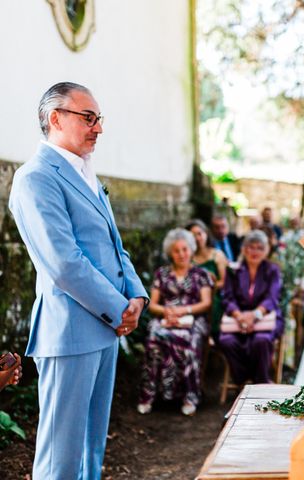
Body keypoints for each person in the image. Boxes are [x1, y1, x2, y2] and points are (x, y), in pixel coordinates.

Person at [9, 82, 148, 479]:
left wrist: (136, 294)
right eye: (88, 118)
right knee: (60, 457)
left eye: (98, 118)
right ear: (55, 118)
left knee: (91, 451)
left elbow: (113, 244)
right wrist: (120, 308)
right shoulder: (35, 178)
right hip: (69, 333)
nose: (98, 128)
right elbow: (64, 263)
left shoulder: (86, 173)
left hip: (105, 330)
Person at [138, 229, 213, 416]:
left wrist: (184, 311)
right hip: (166, 317)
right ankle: (148, 396)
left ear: (191, 250)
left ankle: (189, 397)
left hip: (193, 318)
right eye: (176, 250)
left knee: (189, 339)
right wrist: (168, 311)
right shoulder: (161, 273)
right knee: (154, 338)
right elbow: (153, 304)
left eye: (185, 249)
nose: (181, 254)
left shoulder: (201, 274)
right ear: (170, 253)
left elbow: (206, 303)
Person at [219, 230, 284, 384]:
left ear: (266, 250)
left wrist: (254, 316)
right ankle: (242, 381)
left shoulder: (272, 270)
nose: (255, 251)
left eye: (260, 248)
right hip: (238, 319)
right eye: (251, 247)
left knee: (261, 341)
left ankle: (260, 381)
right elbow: (227, 297)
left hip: (264, 318)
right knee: (226, 340)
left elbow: (272, 297)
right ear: (244, 248)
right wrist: (239, 316)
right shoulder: (234, 269)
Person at [186, 219, 227, 340]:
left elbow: (224, 282)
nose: (197, 238)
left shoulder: (217, 255)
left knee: (212, 306)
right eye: (193, 235)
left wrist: (208, 286)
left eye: (200, 234)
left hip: (214, 294)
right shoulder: (187, 257)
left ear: (206, 234)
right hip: (192, 295)